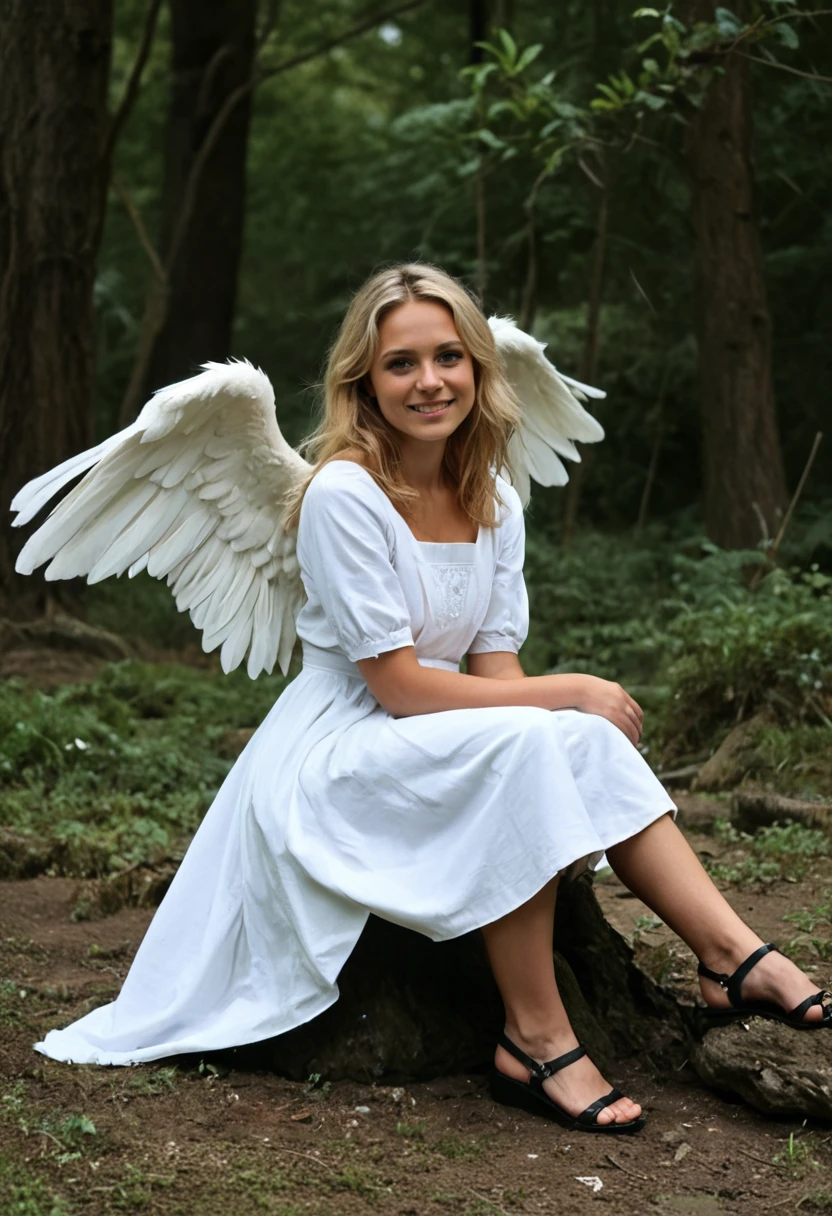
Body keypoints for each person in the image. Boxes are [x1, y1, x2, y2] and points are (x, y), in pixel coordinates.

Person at [29, 263, 829, 1135]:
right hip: (337, 752)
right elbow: (400, 687)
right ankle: (534, 1036)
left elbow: (496, 679)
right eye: (400, 363)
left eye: (449, 356)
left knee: (583, 743)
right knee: (540, 737)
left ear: (481, 368)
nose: (429, 381)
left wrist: (563, 719)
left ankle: (729, 957)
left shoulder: (494, 498)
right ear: (363, 381)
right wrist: (576, 691)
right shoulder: (340, 494)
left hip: (430, 730)